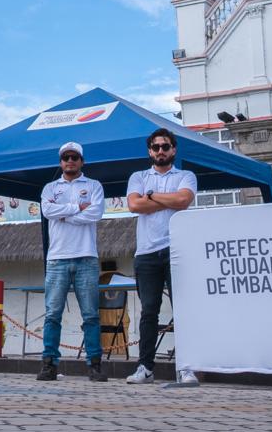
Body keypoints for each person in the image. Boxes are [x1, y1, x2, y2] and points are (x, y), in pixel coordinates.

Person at [125, 127, 199, 385]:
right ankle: (145, 367)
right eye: (155, 147)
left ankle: (186, 366)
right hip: (145, 252)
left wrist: (153, 196)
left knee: (183, 309)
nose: (160, 151)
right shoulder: (138, 176)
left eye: (165, 146)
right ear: (149, 151)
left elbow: (184, 201)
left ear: (173, 149)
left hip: (176, 249)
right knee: (149, 312)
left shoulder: (185, 175)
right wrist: (167, 199)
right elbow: (134, 205)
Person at [36, 141, 107, 382]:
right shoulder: (49, 188)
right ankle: (49, 364)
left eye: (74, 157)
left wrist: (65, 215)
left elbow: (95, 213)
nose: (70, 161)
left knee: (91, 315)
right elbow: (47, 212)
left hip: (87, 257)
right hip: (57, 259)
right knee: (52, 314)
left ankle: (95, 365)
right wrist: (77, 207)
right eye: (66, 157)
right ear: (60, 162)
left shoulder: (94, 185)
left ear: (82, 161)